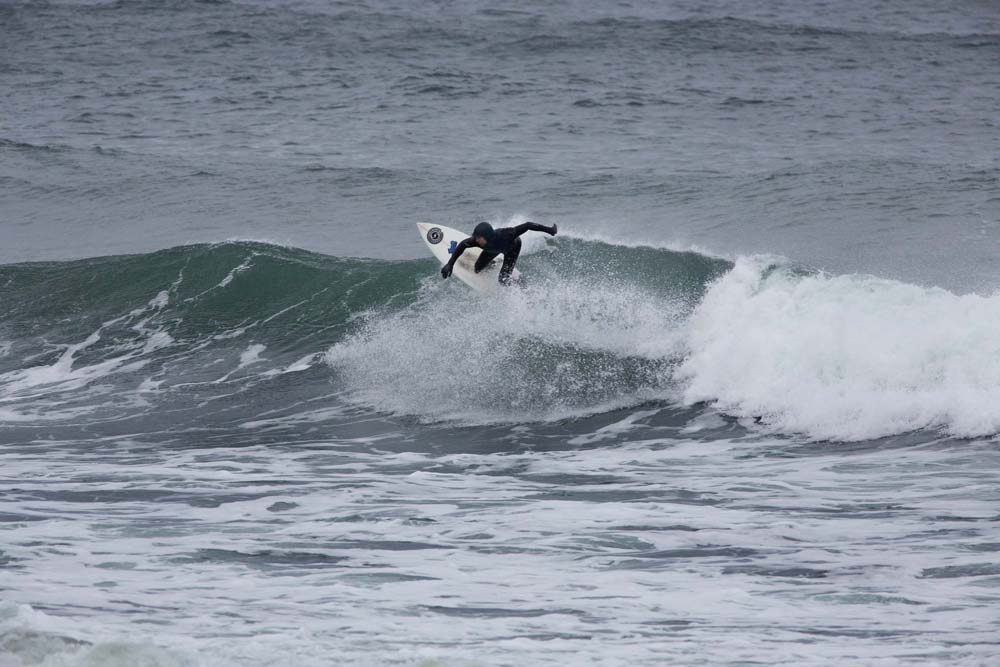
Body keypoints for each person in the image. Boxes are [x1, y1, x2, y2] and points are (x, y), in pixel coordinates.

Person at [440, 221, 557, 285]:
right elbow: (462, 245)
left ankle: (521, 284)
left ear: (486, 236)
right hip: (492, 249)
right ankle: (494, 263)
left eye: (478, 237)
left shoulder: (506, 234)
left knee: (503, 280)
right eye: (475, 237)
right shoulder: (477, 241)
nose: (475, 240)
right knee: (477, 268)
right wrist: (450, 264)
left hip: (512, 248)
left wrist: (550, 230)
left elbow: (528, 225)